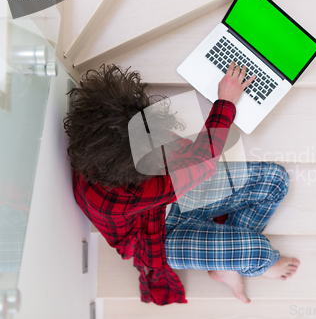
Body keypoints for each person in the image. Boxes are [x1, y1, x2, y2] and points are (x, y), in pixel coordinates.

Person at [64, 63, 300, 305]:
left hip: (158, 206)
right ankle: (237, 263)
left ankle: (227, 265)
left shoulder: (101, 144)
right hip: (156, 238)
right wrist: (225, 102)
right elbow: (203, 163)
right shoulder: (125, 195)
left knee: (275, 180)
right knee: (259, 254)